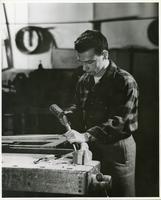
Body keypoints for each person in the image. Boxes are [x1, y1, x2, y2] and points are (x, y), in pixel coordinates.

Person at [65, 30, 139, 197]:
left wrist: (85, 136)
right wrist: (68, 114)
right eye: (81, 62)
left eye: (90, 62)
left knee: (120, 194)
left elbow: (121, 122)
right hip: (90, 145)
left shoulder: (124, 81)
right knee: (94, 193)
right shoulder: (84, 80)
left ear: (104, 54)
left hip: (117, 149)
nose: (84, 68)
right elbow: (79, 107)